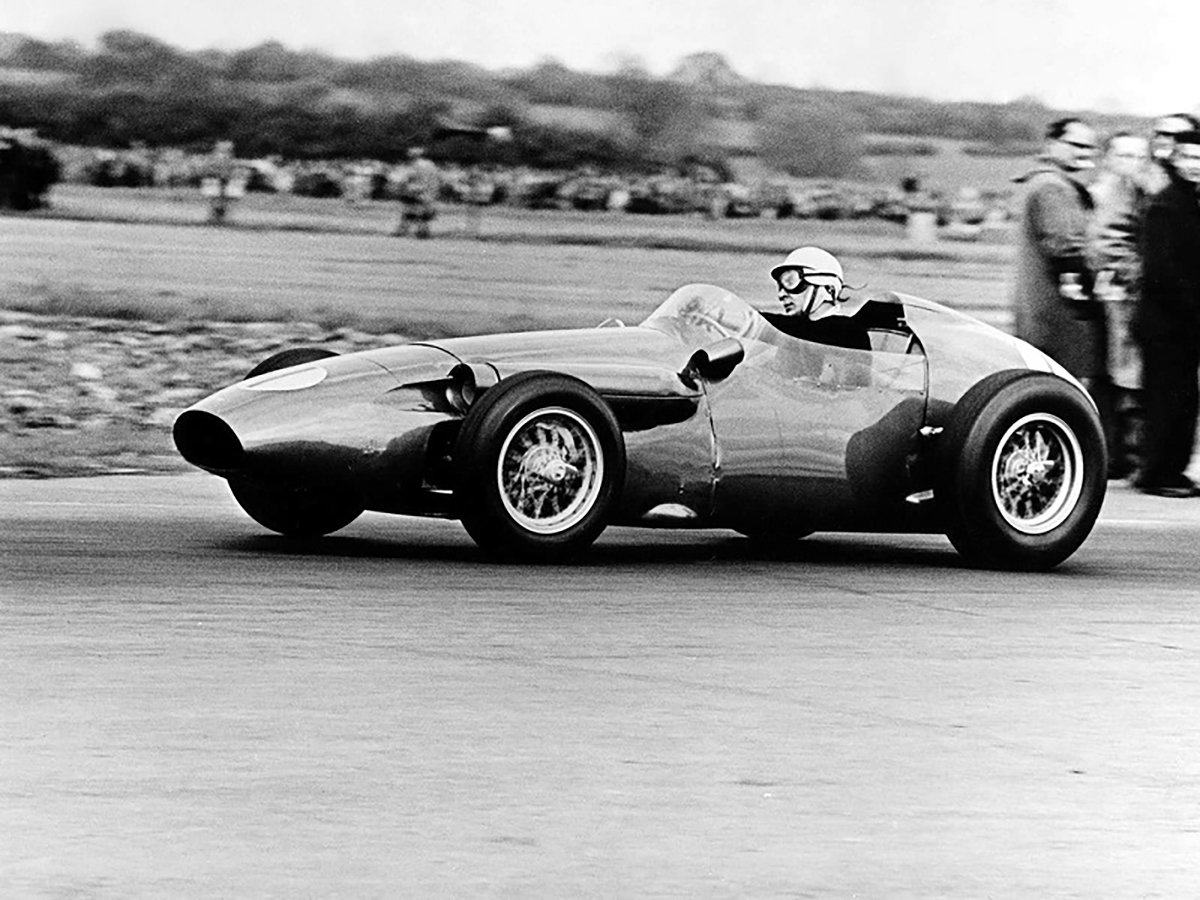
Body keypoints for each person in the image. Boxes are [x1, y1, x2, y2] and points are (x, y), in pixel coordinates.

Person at [1010, 117, 1106, 404]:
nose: (1083, 153)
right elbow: (1066, 249)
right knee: (1067, 399)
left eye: (1088, 148)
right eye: (1075, 145)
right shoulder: (1053, 188)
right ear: (1052, 145)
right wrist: (1098, 285)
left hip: (1041, 316)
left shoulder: (1042, 182)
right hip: (1059, 319)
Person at [1133, 129, 1200, 497]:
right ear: (1174, 160)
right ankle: (1158, 473)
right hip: (1166, 323)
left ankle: (1172, 470)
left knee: (1184, 399)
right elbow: (1162, 271)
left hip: (1183, 323)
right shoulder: (1166, 205)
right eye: (1187, 157)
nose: (1194, 165)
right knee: (1166, 400)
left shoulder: (1189, 202)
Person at [1088, 132, 1152, 479]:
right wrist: (1140, 272)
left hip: (1120, 295)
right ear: (1109, 158)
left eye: (1141, 156)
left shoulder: (1132, 190)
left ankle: (1119, 453)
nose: (1134, 163)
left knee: (1120, 376)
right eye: (1126, 155)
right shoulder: (1113, 192)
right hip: (1121, 296)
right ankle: (1122, 454)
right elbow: (1109, 244)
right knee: (1123, 377)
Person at [766, 246, 872, 351]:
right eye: (780, 286)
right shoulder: (792, 335)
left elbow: (811, 331)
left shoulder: (848, 331)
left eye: (791, 281)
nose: (781, 294)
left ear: (828, 288)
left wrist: (758, 321)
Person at [394, 146, 440, 238]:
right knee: (422, 212)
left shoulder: (415, 165)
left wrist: (402, 187)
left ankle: (406, 230)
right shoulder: (431, 164)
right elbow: (436, 178)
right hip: (429, 191)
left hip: (416, 190)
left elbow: (407, 177)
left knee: (411, 211)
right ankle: (421, 231)